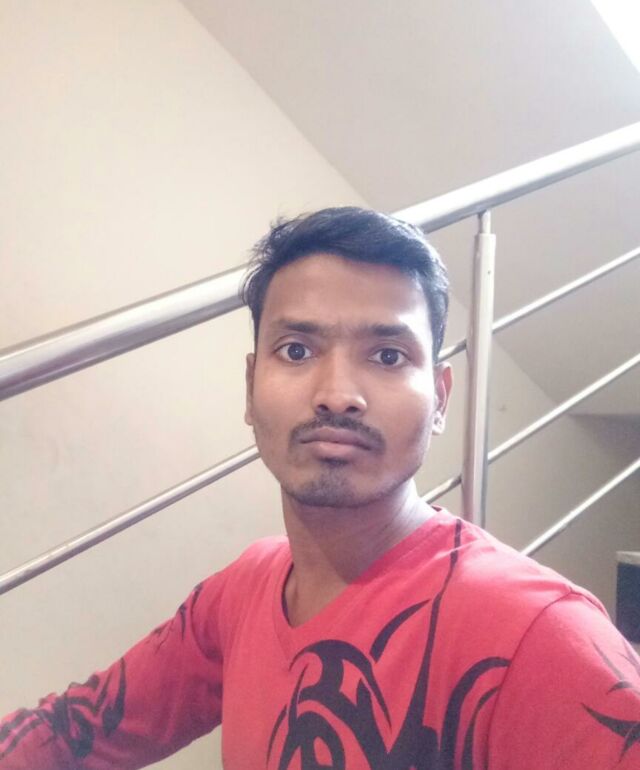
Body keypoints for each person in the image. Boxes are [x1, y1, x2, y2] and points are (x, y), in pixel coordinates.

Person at [1, 207, 638, 769]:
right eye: (297, 350)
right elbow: (75, 732)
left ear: (441, 399)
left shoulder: (539, 638)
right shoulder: (242, 592)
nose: (337, 394)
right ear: (250, 386)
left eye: (387, 356)